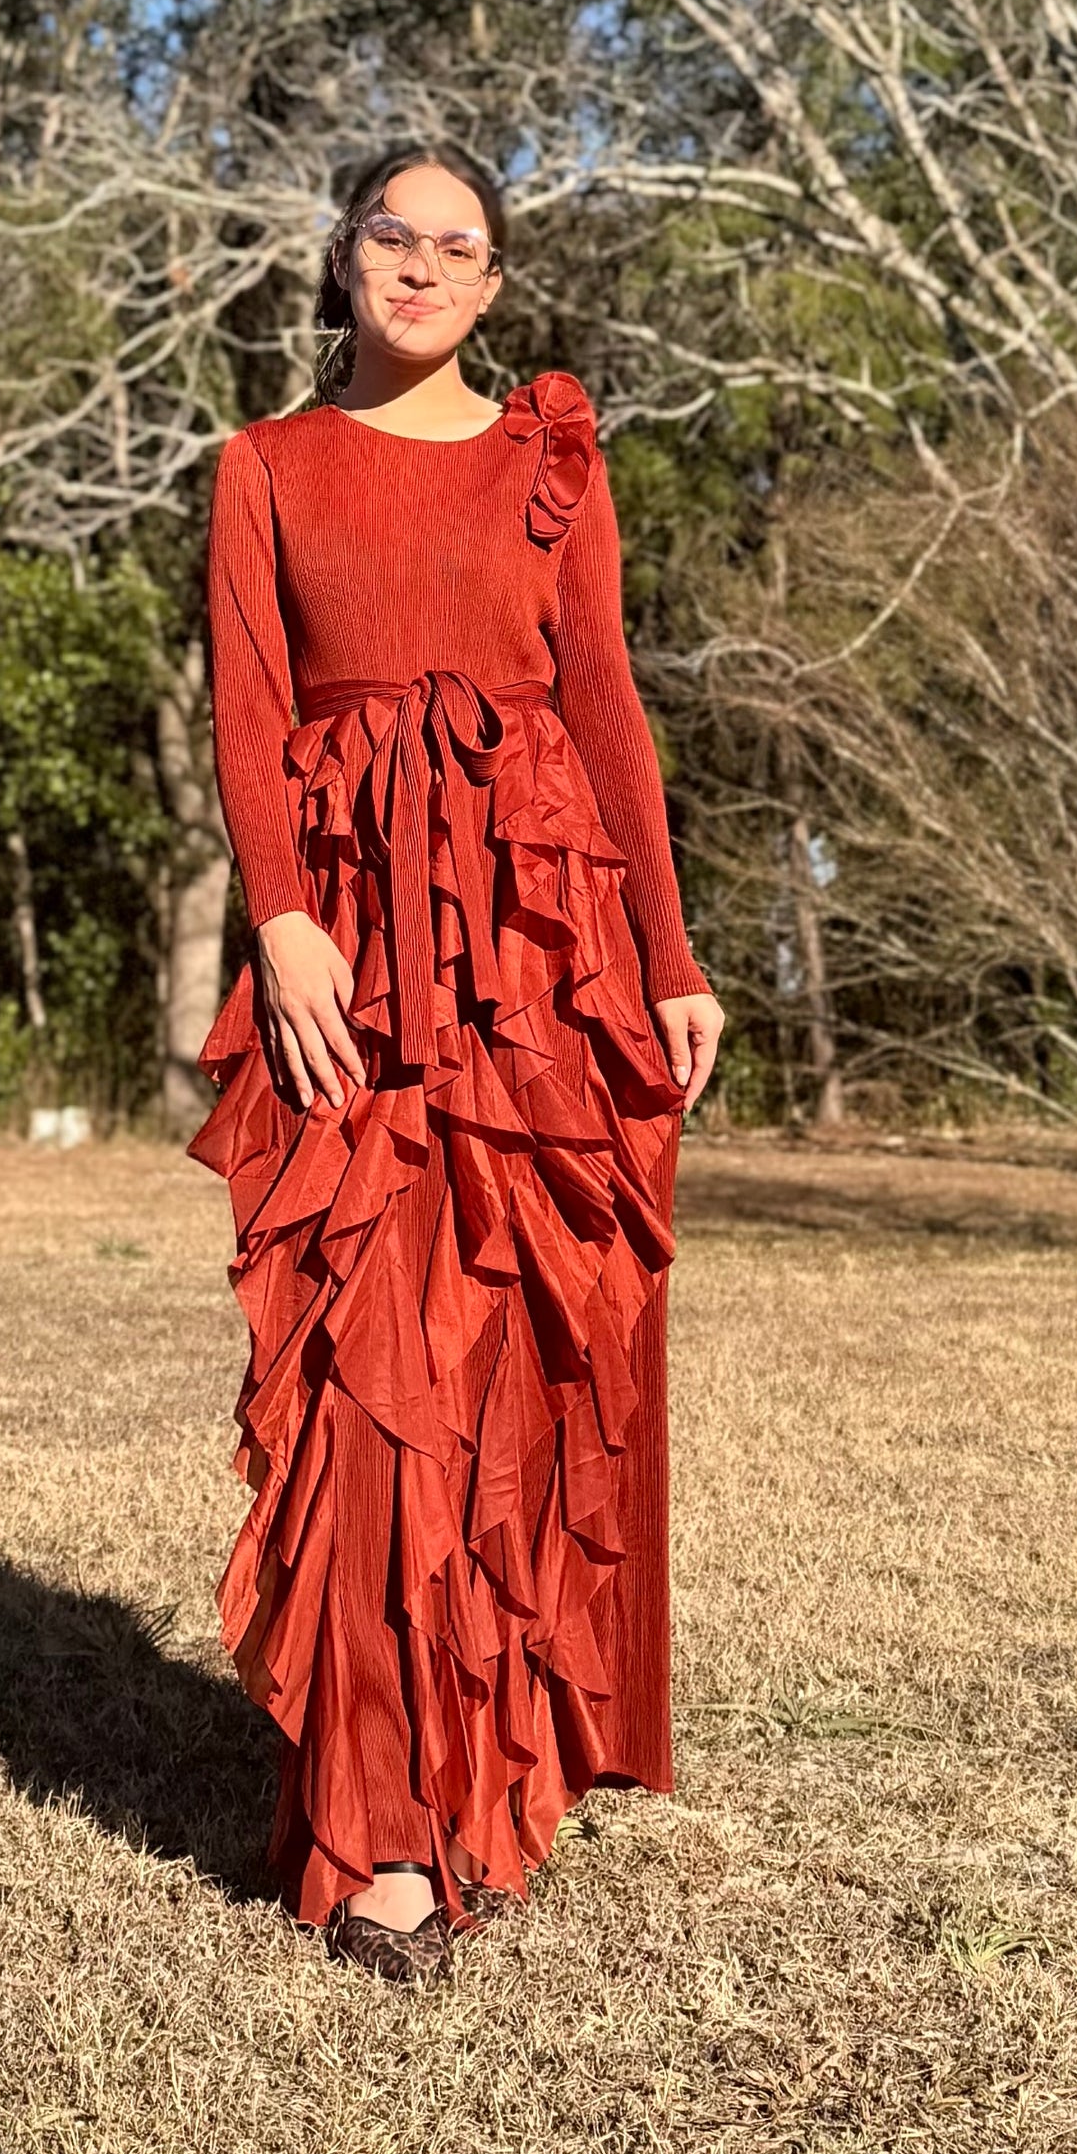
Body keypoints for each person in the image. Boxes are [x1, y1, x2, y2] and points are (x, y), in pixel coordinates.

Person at [190, 145, 724, 1983]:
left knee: (512, 1351)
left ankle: (495, 1769)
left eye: (457, 248)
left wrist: (668, 958)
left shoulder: (546, 458)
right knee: (367, 1359)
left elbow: (606, 703)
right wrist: (280, 920)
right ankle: (384, 1836)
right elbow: (248, 710)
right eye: (391, 237)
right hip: (349, 946)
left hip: (536, 950)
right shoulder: (264, 465)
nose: (420, 267)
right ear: (341, 259)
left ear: (492, 285)